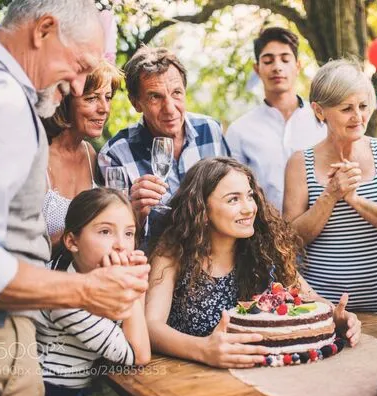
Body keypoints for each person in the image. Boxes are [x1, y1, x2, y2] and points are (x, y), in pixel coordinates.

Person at [0, 1, 149, 396]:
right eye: (81, 66)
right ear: (43, 30)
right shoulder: (1, 98)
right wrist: (86, 291)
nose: (76, 84)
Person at [145, 157, 361, 369]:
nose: (249, 208)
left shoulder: (264, 250)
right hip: (190, 376)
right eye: (233, 199)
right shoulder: (173, 253)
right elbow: (151, 326)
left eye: (250, 196)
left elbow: (311, 298)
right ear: (201, 209)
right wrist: (203, 349)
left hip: (262, 374)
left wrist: (337, 317)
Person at [283, 59, 377, 314]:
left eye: (363, 106)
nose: (358, 117)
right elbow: (290, 238)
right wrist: (331, 195)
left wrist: (356, 200)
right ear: (320, 111)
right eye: (346, 109)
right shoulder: (300, 162)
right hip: (324, 307)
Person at [98, 46, 230, 241]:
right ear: (136, 103)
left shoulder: (210, 131)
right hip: (157, 261)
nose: (170, 109)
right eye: (155, 97)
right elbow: (113, 236)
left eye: (176, 93)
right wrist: (135, 212)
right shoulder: (115, 155)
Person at [34, 188, 151, 396]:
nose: (120, 245)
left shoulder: (98, 281)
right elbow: (139, 354)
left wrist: (134, 283)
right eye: (105, 232)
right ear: (72, 242)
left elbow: (135, 331)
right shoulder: (66, 299)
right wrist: (134, 287)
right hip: (52, 392)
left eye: (128, 233)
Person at [225, 27, 326, 212]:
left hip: (325, 234)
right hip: (264, 235)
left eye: (285, 59)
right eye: (268, 60)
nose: (277, 67)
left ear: (297, 66)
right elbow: (232, 190)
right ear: (257, 69)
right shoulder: (239, 130)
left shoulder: (323, 120)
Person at [42, 60, 123, 250]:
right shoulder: (39, 155)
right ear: (65, 101)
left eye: (108, 97)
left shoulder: (90, 153)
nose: (104, 108)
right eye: (92, 98)